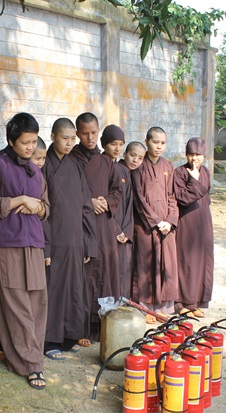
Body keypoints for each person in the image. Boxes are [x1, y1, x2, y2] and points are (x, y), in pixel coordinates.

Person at [0, 113, 50, 389]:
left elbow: (46, 207)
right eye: (25, 143)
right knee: (15, 304)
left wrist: (38, 207)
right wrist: (19, 200)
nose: (31, 147)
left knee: (37, 302)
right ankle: (32, 364)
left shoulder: (36, 170)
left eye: (33, 142)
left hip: (33, 243)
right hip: (6, 243)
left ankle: (31, 357)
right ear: (11, 141)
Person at [41, 118, 97, 359]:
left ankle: (68, 336)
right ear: (53, 136)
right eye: (65, 138)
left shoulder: (75, 165)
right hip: (53, 238)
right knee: (53, 289)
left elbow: (86, 205)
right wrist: (44, 246)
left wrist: (88, 241)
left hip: (74, 238)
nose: (69, 143)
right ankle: (48, 340)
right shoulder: (44, 164)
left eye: (72, 138)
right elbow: (41, 209)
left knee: (73, 288)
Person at [72, 115, 123, 340]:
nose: (90, 137)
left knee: (105, 273)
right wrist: (88, 202)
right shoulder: (71, 160)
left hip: (104, 226)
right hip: (80, 225)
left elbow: (117, 191)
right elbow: (65, 191)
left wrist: (106, 202)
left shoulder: (106, 161)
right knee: (84, 275)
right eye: (84, 133)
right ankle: (81, 327)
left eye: (93, 132)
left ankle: (102, 326)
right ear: (77, 133)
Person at [131, 127, 179, 314]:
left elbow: (172, 196)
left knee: (167, 264)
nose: (159, 147)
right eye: (155, 142)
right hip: (147, 226)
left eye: (163, 143)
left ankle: (164, 307)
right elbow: (139, 199)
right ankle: (146, 308)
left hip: (166, 226)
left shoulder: (168, 166)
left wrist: (170, 220)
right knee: (146, 264)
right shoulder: (139, 166)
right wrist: (157, 221)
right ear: (147, 142)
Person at [173, 137, 214, 318]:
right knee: (186, 261)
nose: (194, 158)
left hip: (204, 221)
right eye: (191, 154)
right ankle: (182, 303)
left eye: (198, 155)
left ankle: (197, 302)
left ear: (204, 155)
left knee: (202, 261)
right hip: (186, 221)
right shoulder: (179, 173)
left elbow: (207, 196)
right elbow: (182, 198)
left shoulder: (205, 172)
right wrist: (194, 181)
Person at [116, 141, 145, 298]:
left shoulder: (134, 174)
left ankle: (123, 301)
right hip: (117, 229)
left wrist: (127, 230)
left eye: (140, 158)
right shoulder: (116, 170)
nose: (135, 160)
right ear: (125, 154)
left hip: (127, 229)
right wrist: (117, 229)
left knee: (126, 267)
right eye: (133, 155)